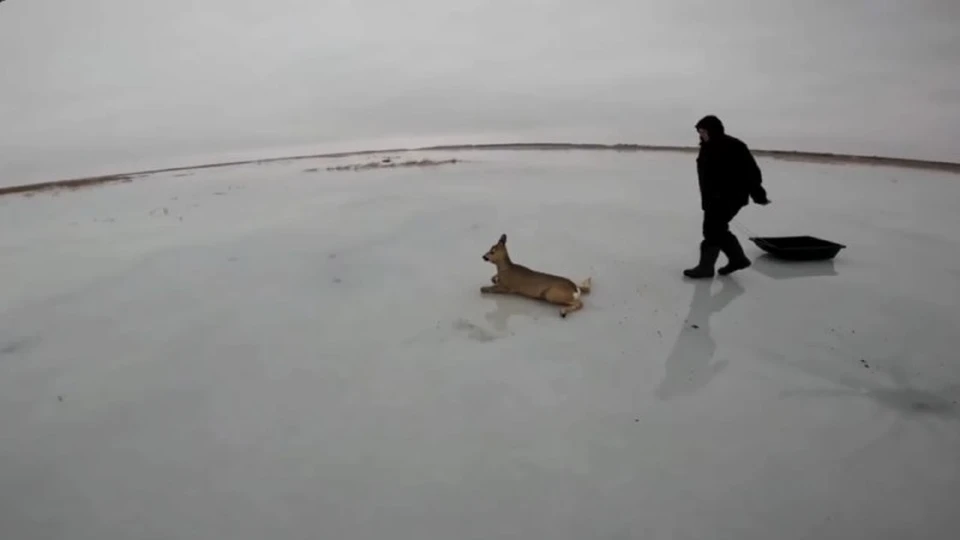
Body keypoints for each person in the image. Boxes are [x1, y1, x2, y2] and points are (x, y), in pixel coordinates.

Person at [683, 115, 770, 279]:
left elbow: (751, 172)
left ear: (713, 130)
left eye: (703, 131)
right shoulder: (707, 147)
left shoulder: (734, 145)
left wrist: (758, 194)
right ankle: (736, 259)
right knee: (716, 229)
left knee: (712, 230)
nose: (701, 135)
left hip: (730, 197)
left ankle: (709, 267)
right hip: (711, 198)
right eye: (699, 131)